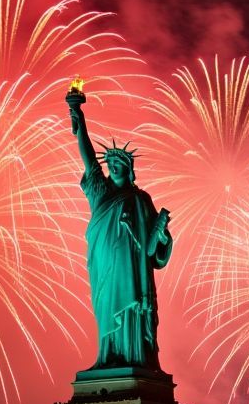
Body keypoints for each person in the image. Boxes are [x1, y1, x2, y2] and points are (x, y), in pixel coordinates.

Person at [66, 88, 172, 370]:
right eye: (110, 163)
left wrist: (162, 236)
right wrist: (79, 119)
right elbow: (89, 160)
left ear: (129, 169)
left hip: (133, 269)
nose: (112, 166)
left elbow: (154, 249)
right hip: (105, 265)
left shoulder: (141, 200)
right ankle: (109, 356)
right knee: (107, 311)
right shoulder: (100, 192)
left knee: (133, 310)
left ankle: (134, 357)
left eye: (118, 164)